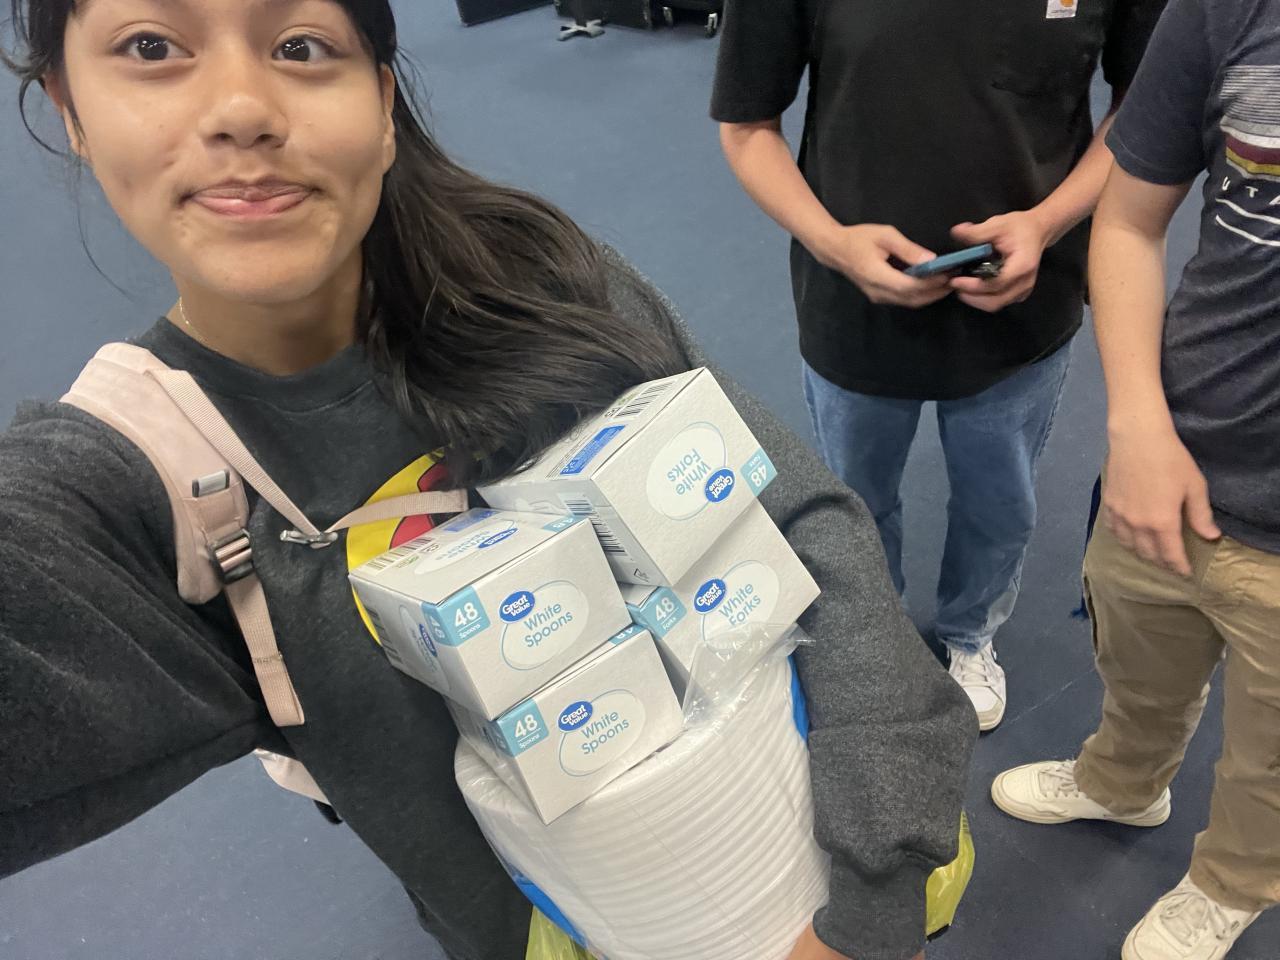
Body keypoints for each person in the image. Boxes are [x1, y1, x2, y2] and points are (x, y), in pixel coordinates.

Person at [0, 3, 976, 960]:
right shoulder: (134, 493)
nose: (240, 108)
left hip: (818, 852)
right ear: (69, 107)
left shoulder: (538, 282)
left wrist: (872, 900)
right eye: (151, 46)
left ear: (383, 101)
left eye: (299, 44)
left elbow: (799, 521)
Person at [712, 0, 1168, 731]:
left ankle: (971, 634)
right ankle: (877, 633)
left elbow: (1140, 109)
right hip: (850, 306)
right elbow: (746, 127)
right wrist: (831, 243)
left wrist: (1047, 223)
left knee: (1000, 503)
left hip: (1024, 300)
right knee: (855, 501)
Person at [991, 0, 1280, 956]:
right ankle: (1123, 784)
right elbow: (1128, 218)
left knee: (1271, 766)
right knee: (1139, 662)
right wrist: (1140, 423)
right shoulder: (1229, 10)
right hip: (1180, 453)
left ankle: (1231, 884)